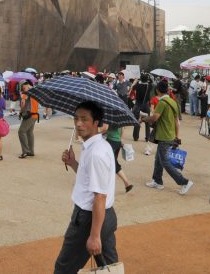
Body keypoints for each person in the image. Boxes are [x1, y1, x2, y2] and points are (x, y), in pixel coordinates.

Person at [56, 101, 118, 273]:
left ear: (96, 123)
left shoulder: (96, 153)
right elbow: (89, 180)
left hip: (89, 219)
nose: (78, 123)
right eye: (76, 118)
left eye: (84, 119)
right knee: (109, 268)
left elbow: (99, 196)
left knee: (64, 268)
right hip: (105, 216)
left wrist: (94, 235)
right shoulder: (99, 146)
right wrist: (73, 163)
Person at [142, 81, 193, 195]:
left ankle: (184, 182)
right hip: (170, 135)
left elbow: (155, 118)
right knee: (158, 159)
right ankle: (157, 181)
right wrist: (177, 137)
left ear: (157, 90)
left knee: (164, 161)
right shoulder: (173, 102)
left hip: (164, 136)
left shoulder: (162, 102)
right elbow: (177, 122)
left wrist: (144, 119)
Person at [102, 124, 133, 193]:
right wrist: (121, 138)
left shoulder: (110, 118)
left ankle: (126, 183)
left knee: (112, 163)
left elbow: (105, 129)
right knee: (112, 162)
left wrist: (98, 133)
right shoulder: (119, 119)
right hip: (117, 142)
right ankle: (126, 184)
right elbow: (122, 128)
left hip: (111, 142)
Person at [17, 81, 39, 158]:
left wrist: (21, 111)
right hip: (35, 115)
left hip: (28, 114)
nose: (23, 88)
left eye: (23, 87)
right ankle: (31, 151)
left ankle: (25, 151)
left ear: (26, 85)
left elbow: (23, 103)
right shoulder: (35, 91)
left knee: (21, 131)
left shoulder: (26, 92)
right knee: (29, 132)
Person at [130, 73, 152, 141]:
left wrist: (136, 81)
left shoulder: (137, 86)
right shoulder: (149, 86)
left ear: (141, 79)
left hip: (138, 105)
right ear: (147, 79)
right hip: (146, 105)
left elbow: (132, 88)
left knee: (137, 121)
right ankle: (147, 137)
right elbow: (152, 82)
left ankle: (135, 137)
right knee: (147, 122)